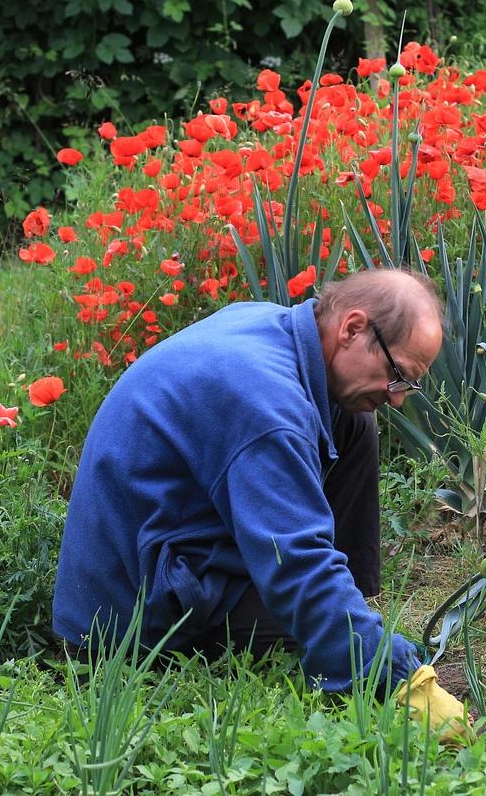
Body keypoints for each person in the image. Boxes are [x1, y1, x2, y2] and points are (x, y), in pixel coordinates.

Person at [52, 268, 462, 720]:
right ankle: (348, 642)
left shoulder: (278, 331)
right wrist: (393, 674)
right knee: (310, 625)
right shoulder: (268, 407)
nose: (397, 398)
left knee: (355, 420)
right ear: (352, 328)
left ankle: (348, 610)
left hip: (171, 540)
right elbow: (296, 559)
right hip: (128, 614)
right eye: (396, 374)